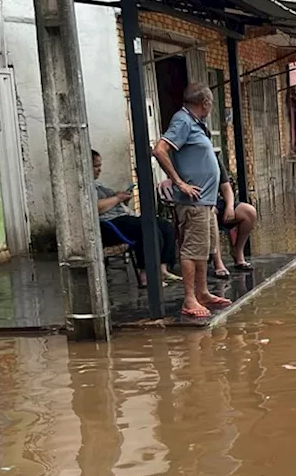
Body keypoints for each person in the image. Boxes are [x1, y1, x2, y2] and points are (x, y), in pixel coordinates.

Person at [152, 82, 230, 319]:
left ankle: (203, 292)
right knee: (192, 250)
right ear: (205, 103)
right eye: (211, 104)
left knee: (204, 249)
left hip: (204, 201)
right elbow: (159, 150)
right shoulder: (183, 121)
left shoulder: (195, 124)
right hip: (193, 202)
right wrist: (179, 182)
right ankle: (189, 299)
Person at [92, 150, 180, 288]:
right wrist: (116, 198)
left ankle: (163, 268)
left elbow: (114, 203)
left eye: (100, 166)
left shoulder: (100, 185)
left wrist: (122, 199)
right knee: (147, 229)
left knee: (165, 225)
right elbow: (95, 208)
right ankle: (146, 274)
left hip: (122, 216)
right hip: (109, 224)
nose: (99, 170)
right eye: (96, 166)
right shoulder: (85, 189)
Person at [211, 164, 257, 277]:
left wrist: (230, 207)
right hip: (201, 205)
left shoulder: (213, 160)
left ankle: (238, 252)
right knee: (210, 215)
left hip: (217, 202)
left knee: (249, 212)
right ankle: (218, 263)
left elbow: (226, 188)